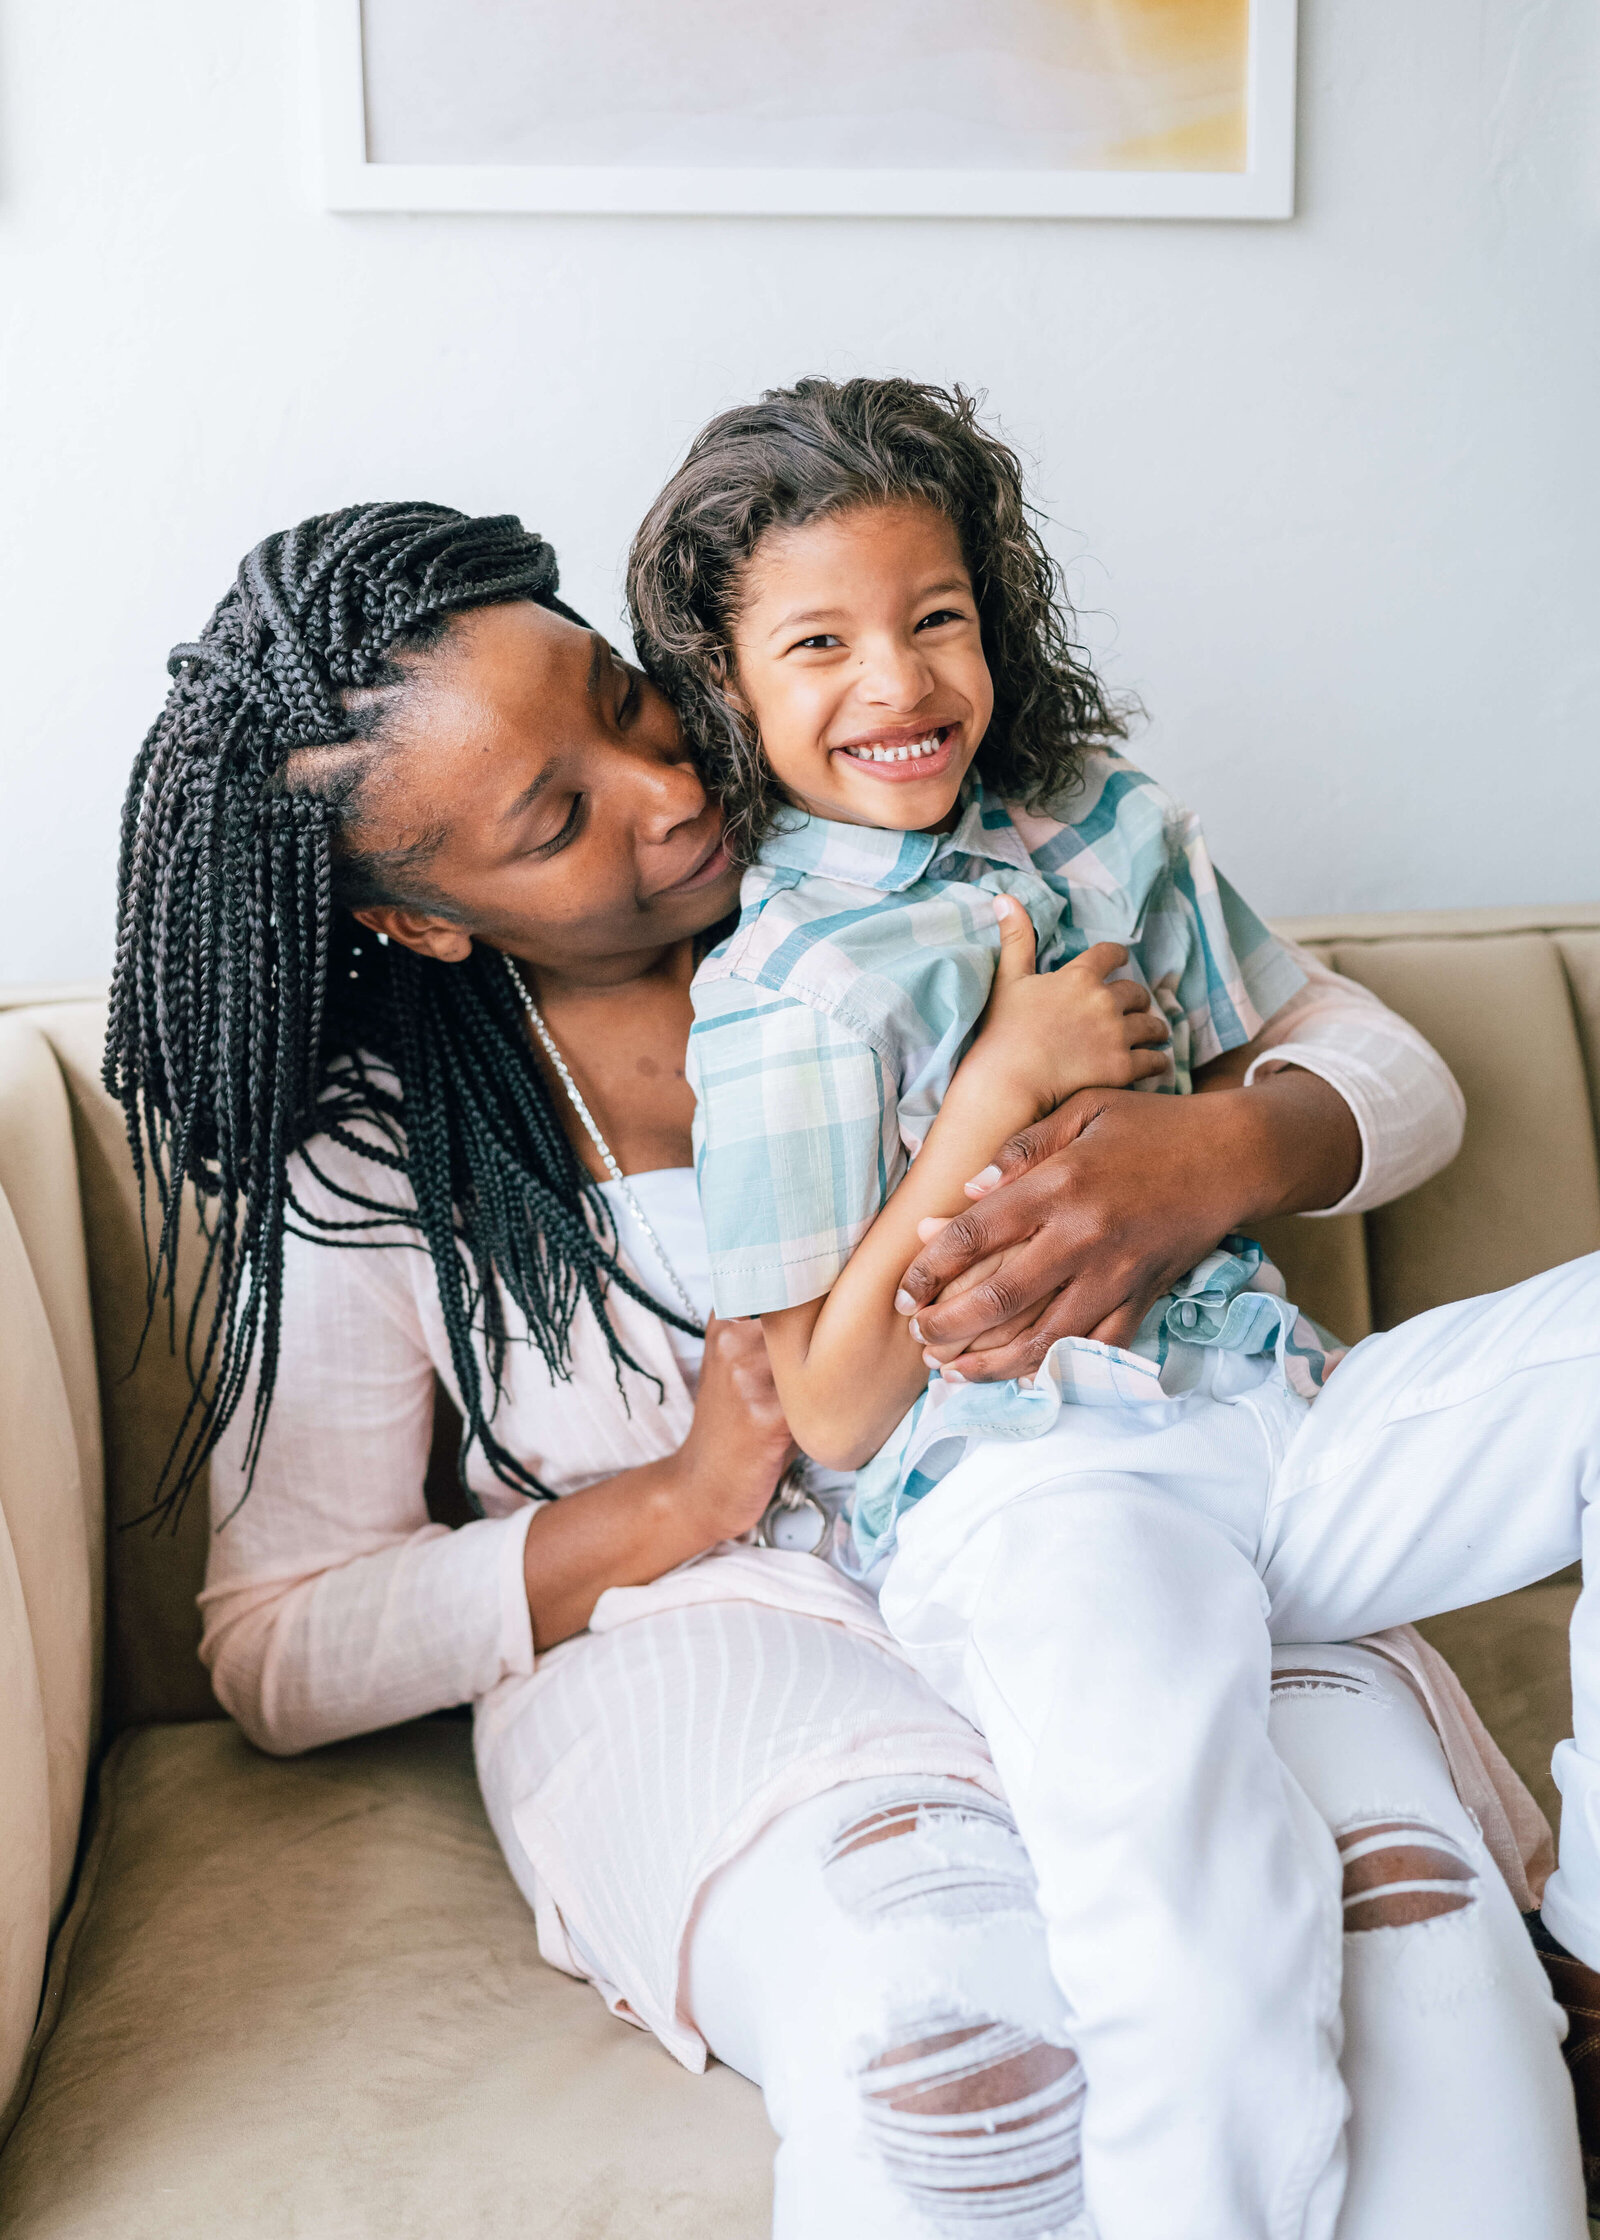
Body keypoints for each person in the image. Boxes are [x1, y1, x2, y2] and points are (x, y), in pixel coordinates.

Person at [104, 500, 1582, 2238]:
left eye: (625, 700)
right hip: (718, 1643)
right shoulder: (375, 1156)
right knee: (953, 2036)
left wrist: (1216, 1157)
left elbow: (1369, 1054)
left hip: (1126, 1511)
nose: (666, 790)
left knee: (1412, 1952)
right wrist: (674, 1502)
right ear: (427, 921)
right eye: (557, 819)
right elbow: (279, 1642)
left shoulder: (924, 857)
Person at [630, 376, 1600, 2239]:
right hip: (1036, 1498)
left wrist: (1212, 1142)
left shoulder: (1113, 821)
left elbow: (1287, 1065)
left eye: (935, 619)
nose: (896, 686)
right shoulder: (783, 984)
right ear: (732, 691)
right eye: (817, 644)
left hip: (1281, 1430)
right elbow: (829, 1417)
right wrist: (995, 1089)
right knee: (1195, 1893)